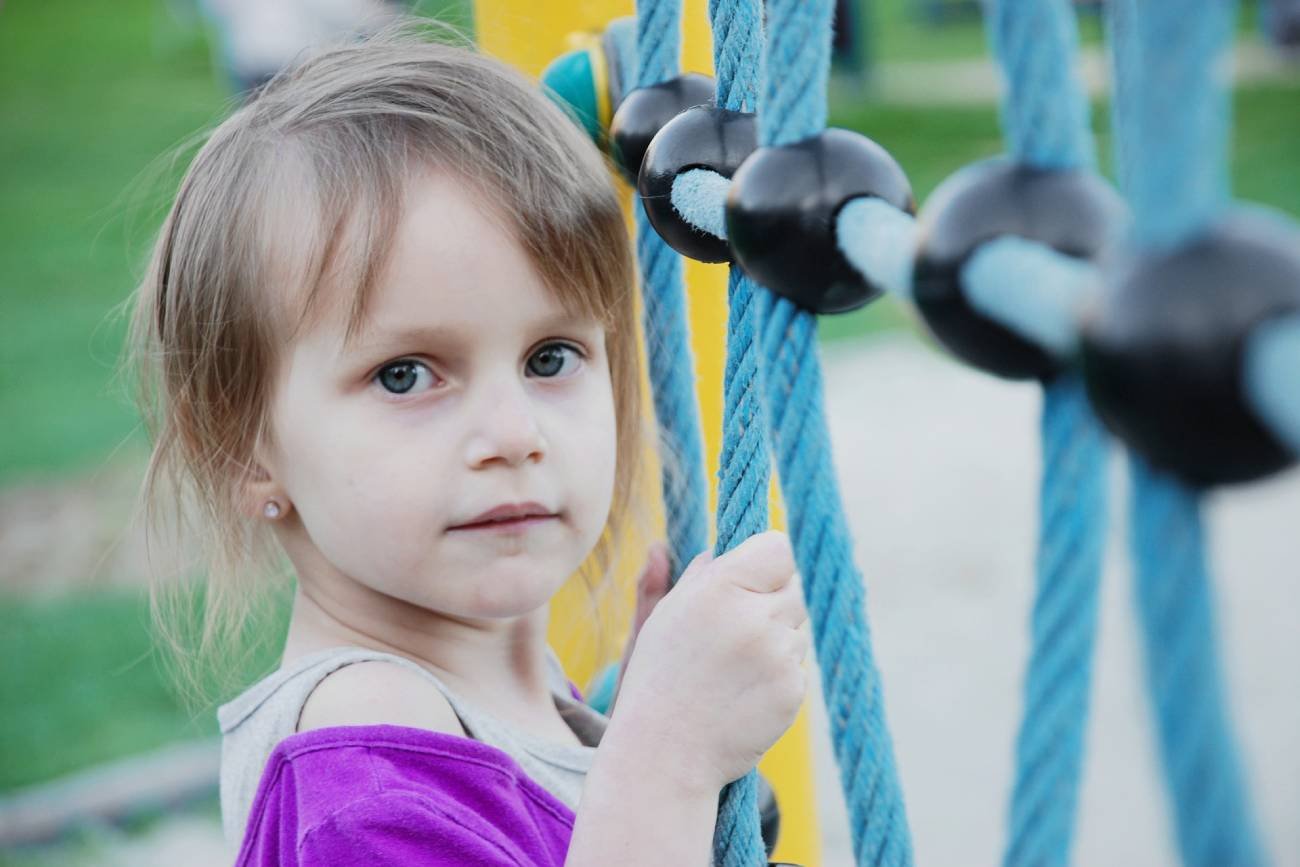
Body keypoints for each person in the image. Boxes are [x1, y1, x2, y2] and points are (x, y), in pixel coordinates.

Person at [125, 23, 811, 867]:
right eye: (407, 375)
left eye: (550, 358)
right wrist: (665, 758)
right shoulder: (368, 783)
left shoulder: (480, 697)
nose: (514, 436)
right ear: (241, 446)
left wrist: (628, 729)